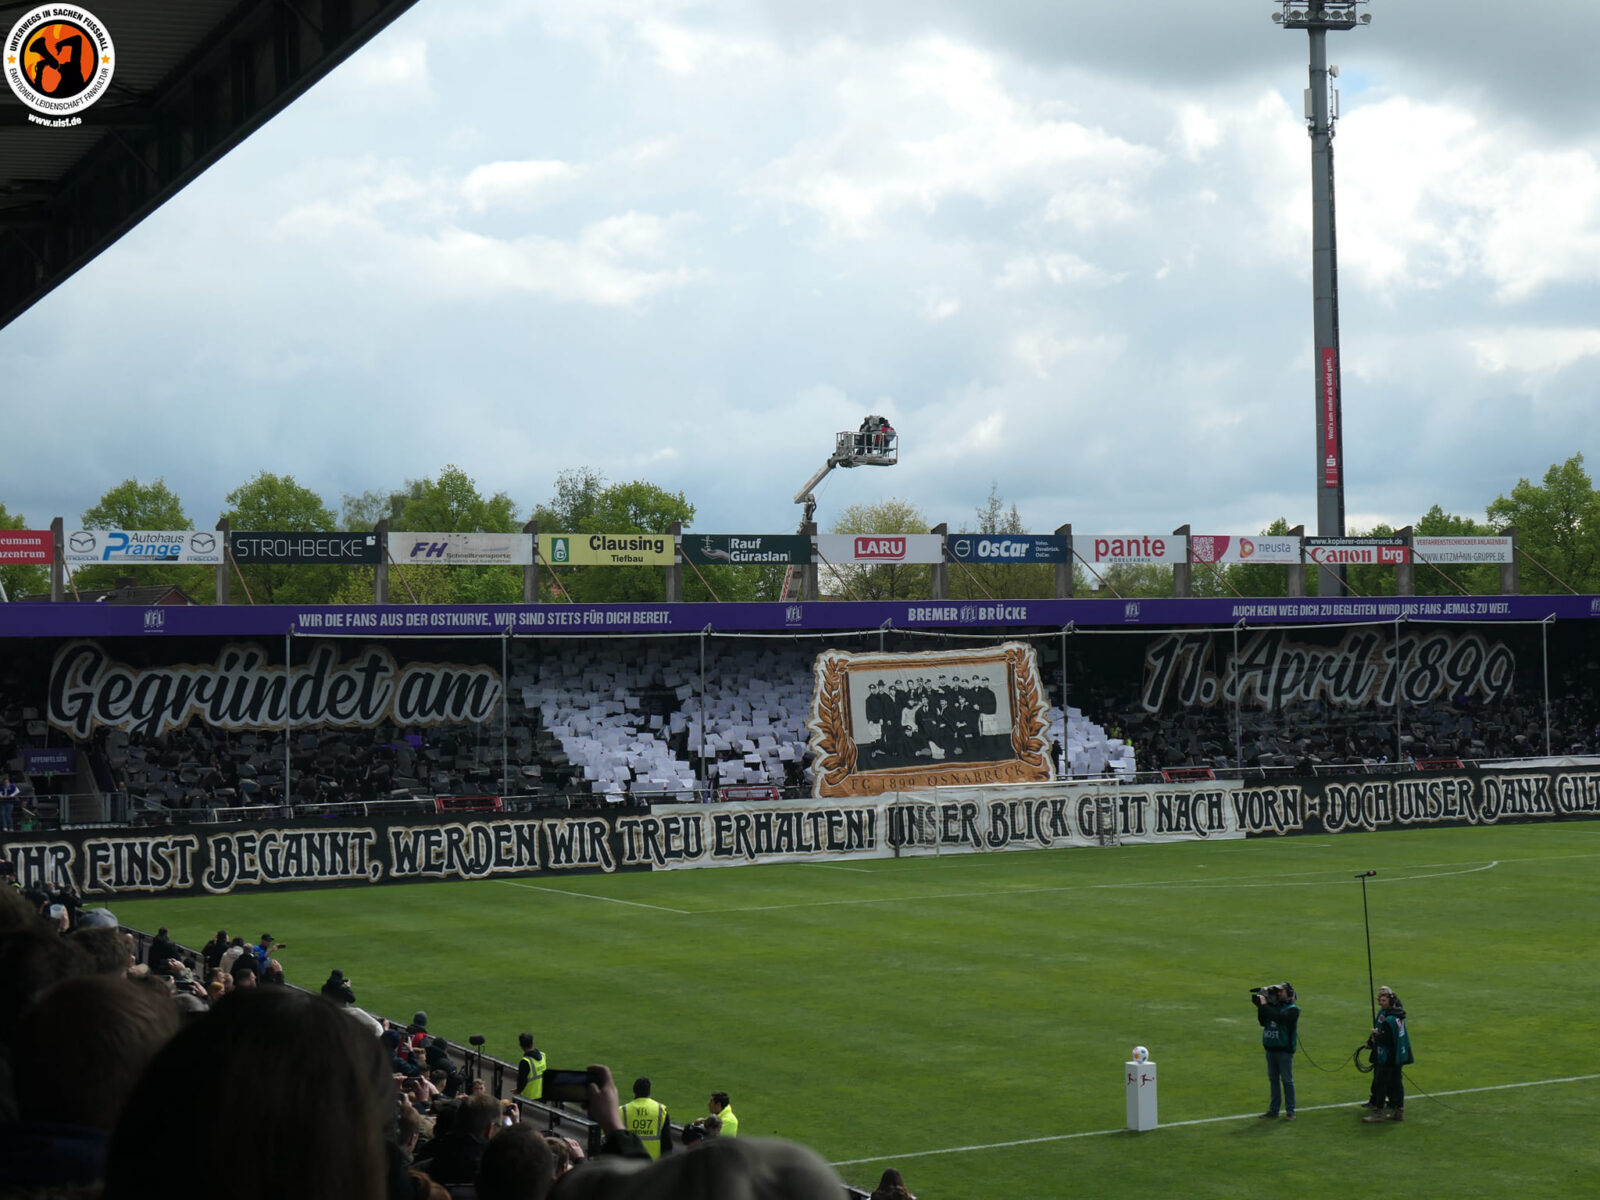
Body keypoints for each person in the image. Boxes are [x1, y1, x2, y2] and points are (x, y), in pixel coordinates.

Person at [1363, 985, 1413, 1122]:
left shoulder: (1388, 1020)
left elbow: (1386, 1040)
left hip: (1388, 1057)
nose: (1380, 1002)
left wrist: (1376, 1035)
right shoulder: (1399, 1016)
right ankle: (1399, 1111)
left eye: (1383, 1000)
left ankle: (1378, 1113)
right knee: (1397, 1083)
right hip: (1399, 1056)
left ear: (1390, 1002)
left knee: (1381, 1083)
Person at [1253, 981, 1299, 1120]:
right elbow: (1262, 1021)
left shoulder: (1293, 1009)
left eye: (1281, 991)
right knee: (1273, 1080)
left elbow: (1279, 1019)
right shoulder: (1274, 1007)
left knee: (1287, 1080)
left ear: (1289, 993)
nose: (1278, 993)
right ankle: (1274, 1110)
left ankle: (1290, 1111)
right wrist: (1261, 1007)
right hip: (1271, 1049)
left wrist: (1265, 1005)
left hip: (1284, 1050)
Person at [620, 1076, 672, 1159]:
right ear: (649, 1091)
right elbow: (667, 1142)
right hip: (653, 1164)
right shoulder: (660, 1110)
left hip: (629, 1163)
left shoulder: (623, 1110)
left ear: (634, 1090)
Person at [516, 1031, 547, 1100]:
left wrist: (518, 1090)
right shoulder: (543, 1055)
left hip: (529, 1097)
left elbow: (522, 1080)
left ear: (521, 1045)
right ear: (533, 1042)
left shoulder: (525, 1062)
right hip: (542, 1094)